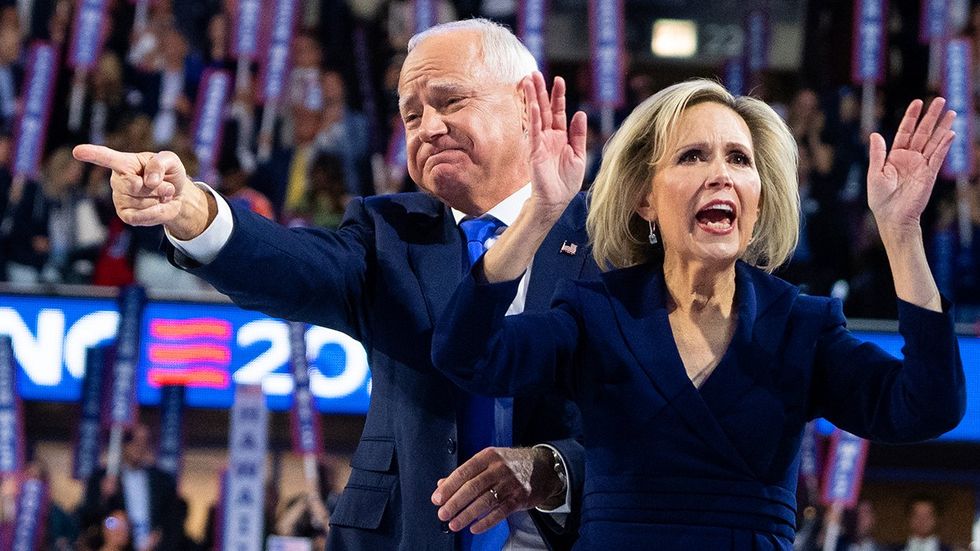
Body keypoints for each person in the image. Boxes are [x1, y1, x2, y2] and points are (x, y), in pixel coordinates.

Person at [73, 18, 593, 551]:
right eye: (411, 115)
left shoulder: (611, 240)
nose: (428, 127)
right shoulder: (387, 233)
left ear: (528, 107)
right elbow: (290, 266)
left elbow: (660, 417)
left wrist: (552, 471)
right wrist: (191, 212)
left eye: (451, 101)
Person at [430, 79, 965, 549]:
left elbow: (927, 406)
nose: (721, 175)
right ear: (644, 198)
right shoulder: (597, 313)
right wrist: (540, 216)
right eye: (692, 157)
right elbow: (467, 355)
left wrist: (901, 236)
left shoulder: (801, 326)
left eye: (739, 159)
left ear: (759, 196)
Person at [77, 424, 180, 551]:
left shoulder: (162, 481)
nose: (139, 447)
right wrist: (103, 497)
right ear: (123, 443)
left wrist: (159, 539)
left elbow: (171, 521)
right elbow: (87, 517)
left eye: (144, 442)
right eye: (135, 441)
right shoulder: (103, 477)